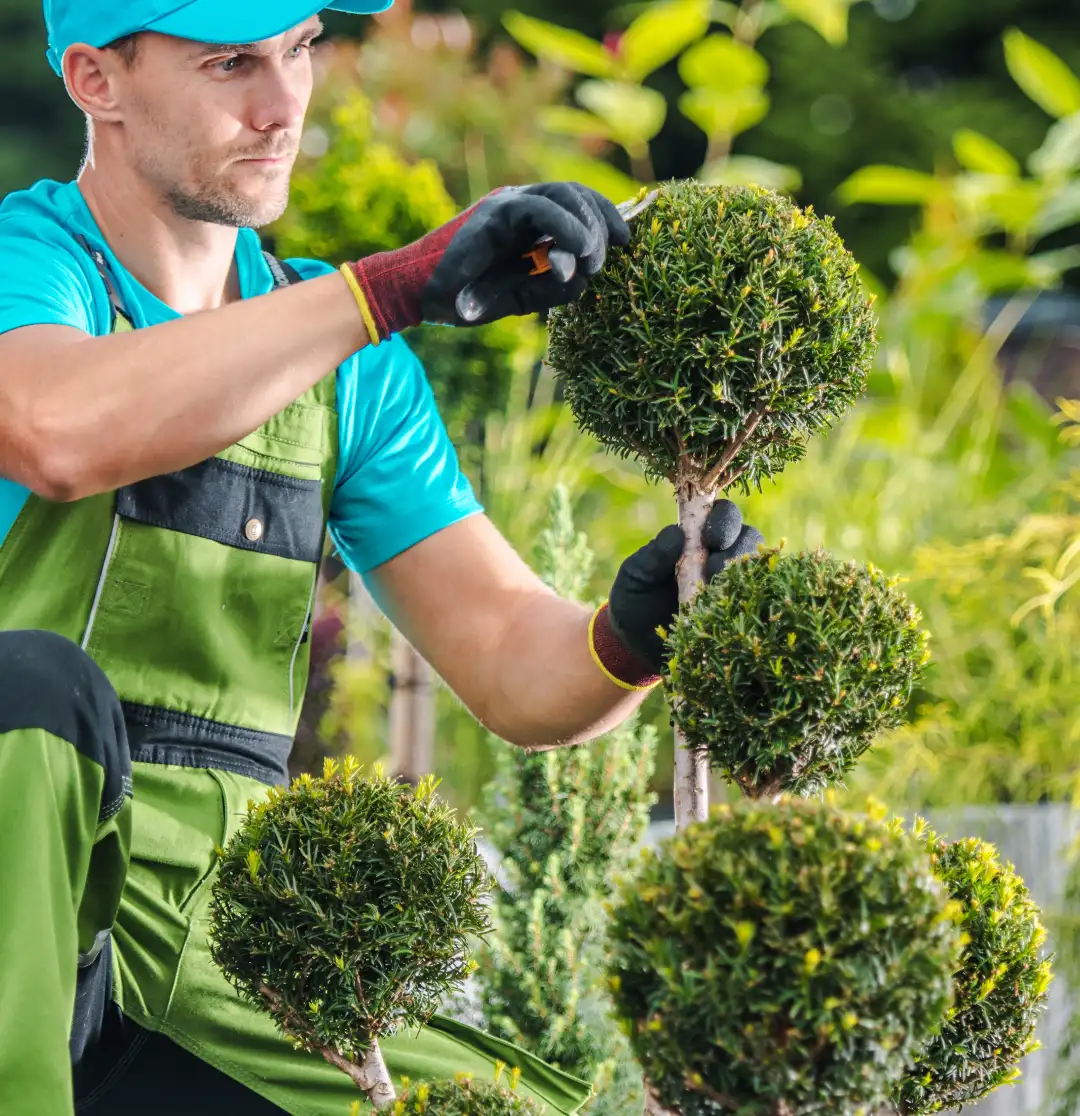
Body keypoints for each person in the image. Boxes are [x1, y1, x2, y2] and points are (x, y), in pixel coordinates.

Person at [0, 1, 765, 1113]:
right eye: (229, 65)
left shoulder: (345, 364)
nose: (281, 107)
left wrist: (634, 629)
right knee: (35, 693)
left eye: (300, 50)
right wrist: (384, 291)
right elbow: (56, 431)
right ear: (95, 82)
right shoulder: (32, 269)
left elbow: (510, 661)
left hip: (223, 937)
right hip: (28, 885)